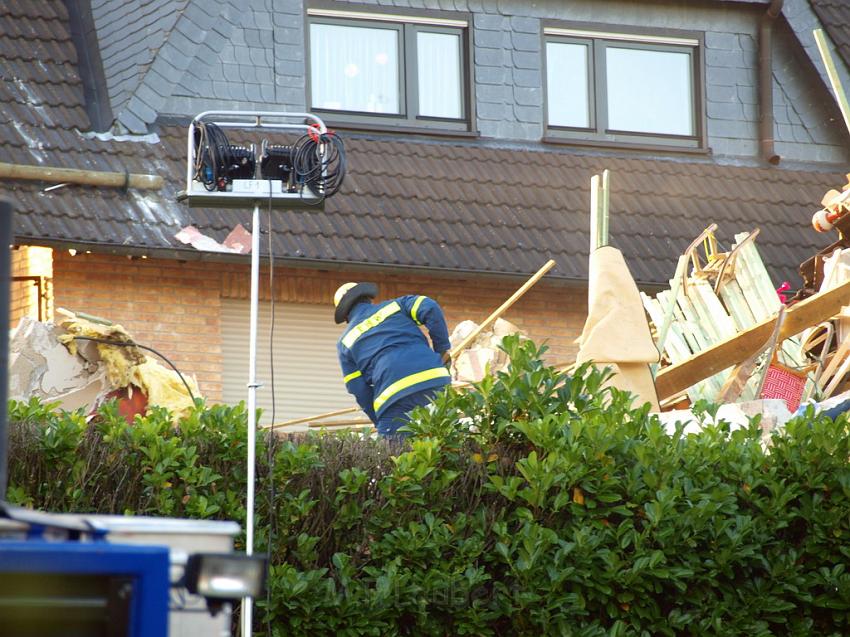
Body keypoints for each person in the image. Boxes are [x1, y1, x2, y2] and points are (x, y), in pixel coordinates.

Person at [333, 281, 452, 437]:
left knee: (395, 456)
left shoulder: (345, 343)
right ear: (368, 299)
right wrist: (441, 350)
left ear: (346, 316)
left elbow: (358, 389)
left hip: (394, 396)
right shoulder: (395, 306)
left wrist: (381, 421)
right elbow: (428, 306)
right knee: (446, 443)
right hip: (434, 380)